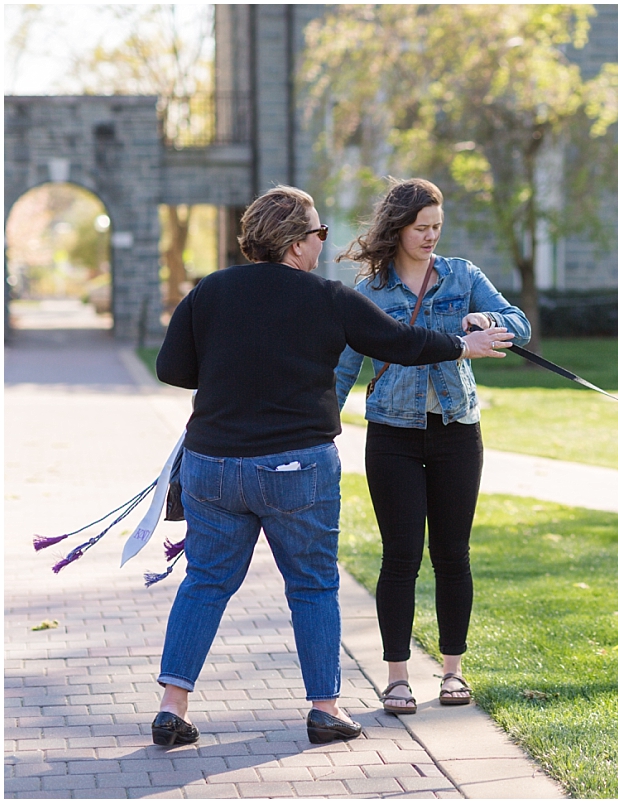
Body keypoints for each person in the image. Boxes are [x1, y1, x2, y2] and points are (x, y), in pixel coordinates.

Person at [151, 185, 514, 746]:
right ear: (296, 243)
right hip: (296, 467)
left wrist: (235, 371)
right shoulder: (327, 297)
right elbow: (400, 342)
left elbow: (172, 368)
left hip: (213, 466)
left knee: (205, 580)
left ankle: (172, 708)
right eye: (319, 233)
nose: (324, 242)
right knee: (314, 585)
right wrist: (464, 347)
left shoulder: (210, 291)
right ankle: (324, 709)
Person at [333, 178, 530, 714]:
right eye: (421, 228)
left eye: (437, 228)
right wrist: (315, 420)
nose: (430, 237)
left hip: (457, 432)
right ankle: (397, 677)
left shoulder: (462, 276)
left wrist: (485, 319)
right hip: (392, 434)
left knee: (452, 554)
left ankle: (452, 672)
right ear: (398, 227)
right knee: (400, 556)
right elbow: (343, 369)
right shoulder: (371, 291)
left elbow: (521, 326)